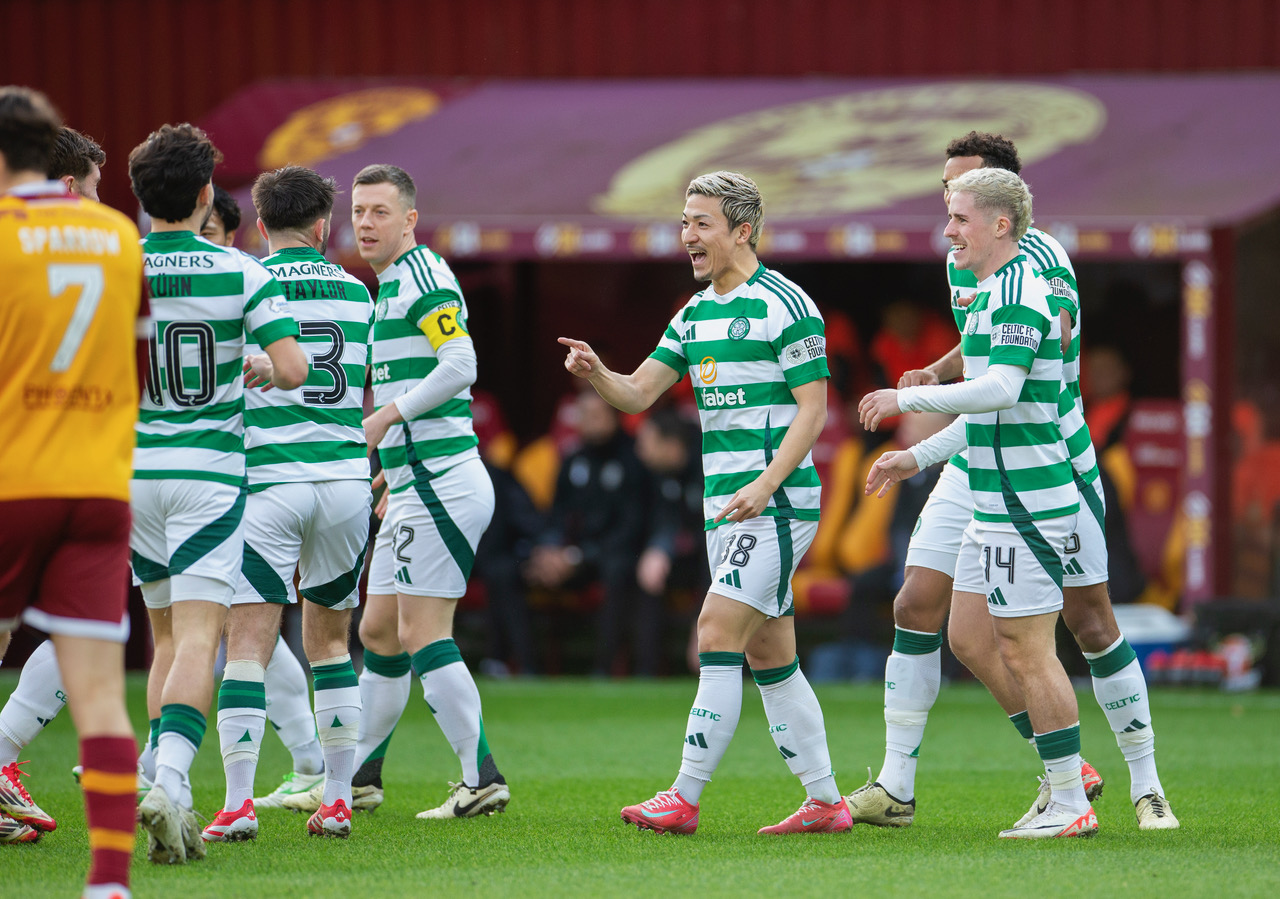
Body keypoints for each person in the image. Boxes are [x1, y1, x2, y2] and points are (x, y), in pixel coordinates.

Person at [848, 132, 1176, 834]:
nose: (948, 208)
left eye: (961, 194)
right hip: (981, 445)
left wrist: (916, 402)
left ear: (1002, 203)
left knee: (1084, 624)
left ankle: (1141, 785)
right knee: (932, 612)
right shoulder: (969, 263)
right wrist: (936, 381)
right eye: (945, 190)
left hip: (1044, 454)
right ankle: (904, 783)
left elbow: (1015, 365)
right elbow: (984, 340)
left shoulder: (1042, 262)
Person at [562, 170, 850, 835]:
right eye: (684, 221)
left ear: (741, 230)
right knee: (771, 654)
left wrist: (767, 483)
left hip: (774, 505)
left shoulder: (786, 304)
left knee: (715, 630)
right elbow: (636, 394)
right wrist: (597, 371)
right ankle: (826, 800)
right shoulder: (694, 313)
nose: (686, 235)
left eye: (701, 223)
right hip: (727, 507)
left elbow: (815, 409)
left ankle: (684, 796)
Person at [859, 167, 1097, 839]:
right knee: (971, 635)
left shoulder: (1024, 288)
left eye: (960, 217)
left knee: (1027, 647)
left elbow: (1000, 387)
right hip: (993, 490)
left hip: (1027, 494)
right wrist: (918, 455)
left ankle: (1070, 799)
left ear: (1000, 224)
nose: (948, 230)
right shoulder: (990, 292)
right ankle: (1061, 790)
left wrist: (907, 399)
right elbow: (991, 409)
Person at [128, 123, 307, 864]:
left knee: (163, 639)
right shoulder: (242, 271)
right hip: (209, 475)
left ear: (139, 198)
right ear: (207, 194)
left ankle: (154, 773)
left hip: (135, 472)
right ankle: (171, 779)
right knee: (202, 638)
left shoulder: (124, 267)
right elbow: (294, 369)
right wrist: (258, 368)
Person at [200, 166, 373, 843]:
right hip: (343, 484)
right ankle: (336, 799)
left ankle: (238, 802)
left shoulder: (246, 282)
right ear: (325, 225)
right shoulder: (360, 293)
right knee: (331, 643)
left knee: (246, 645)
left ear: (262, 225)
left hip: (269, 480)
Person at [0, 85, 143, 898]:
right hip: (98, 486)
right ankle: (108, 885)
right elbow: (143, 360)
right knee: (98, 694)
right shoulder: (115, 237)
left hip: (14, 477)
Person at [338, 163, 508, 820]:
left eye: (380, 211)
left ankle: (481, 775)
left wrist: (387, 415)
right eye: (358, 211)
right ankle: (360, 776)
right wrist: (391, 468)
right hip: (413, 482)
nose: (366, 223)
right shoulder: (387, 288)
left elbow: (460, 362)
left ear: (410, 219)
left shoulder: (423, 274)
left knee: (419, 631)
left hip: (442, 484)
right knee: (378, 628)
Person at [526, 389, 651, 676]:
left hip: (615, 554)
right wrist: (551, 549)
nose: (589, 422)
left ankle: (604, 668)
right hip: (573, 556)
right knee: (513, 569)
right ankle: (525, 667)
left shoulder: (634, 458)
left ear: (615, 416)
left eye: (597, 415)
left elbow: (632, 526)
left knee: (617, 570)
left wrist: (578, 555)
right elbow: (556, 515)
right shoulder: (572, 458)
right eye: (583, 415)